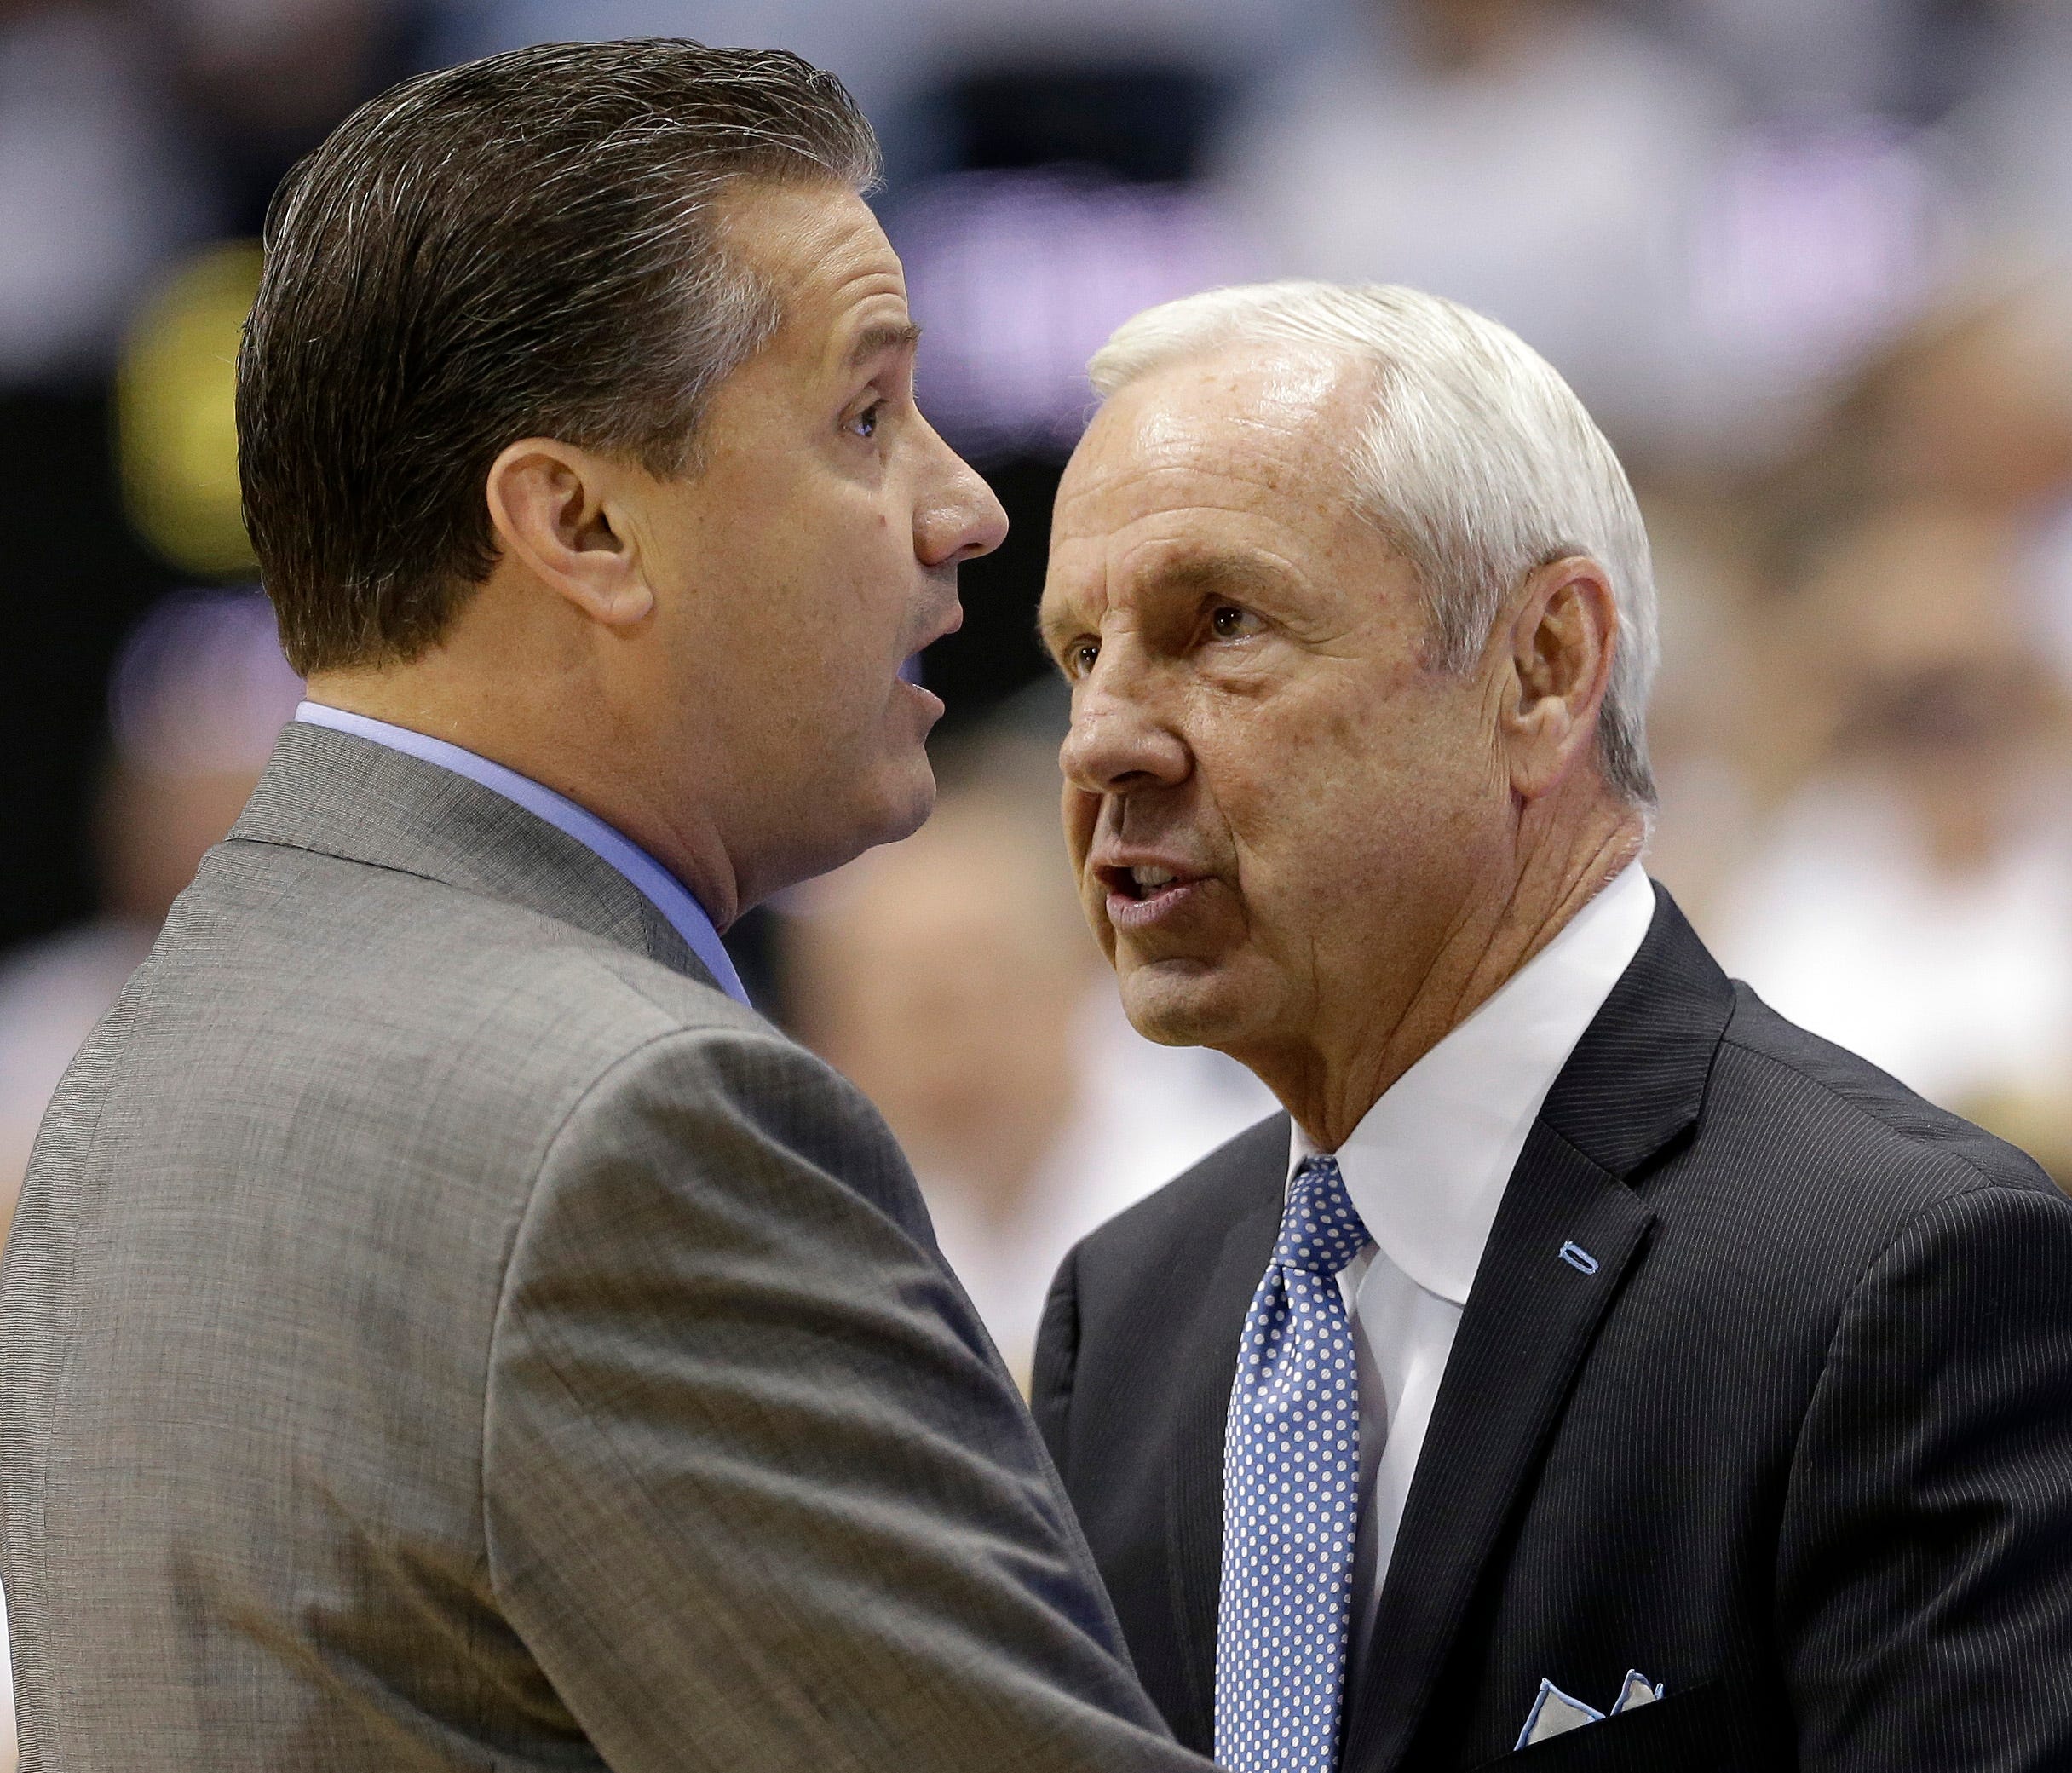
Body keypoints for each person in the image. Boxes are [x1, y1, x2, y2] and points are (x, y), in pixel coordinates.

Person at [0, 42, 1214, 1773]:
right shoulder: (633, 1126)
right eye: (866, 417)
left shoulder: (136, 1059)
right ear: (578, 522)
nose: (965, 505)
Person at [1029, 280, 2072, 1770]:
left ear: (1544, 669)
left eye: (1222, 623)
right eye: (1082, 652)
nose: (1105, 739)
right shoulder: (1118, 1323)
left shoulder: (1904, 1277)